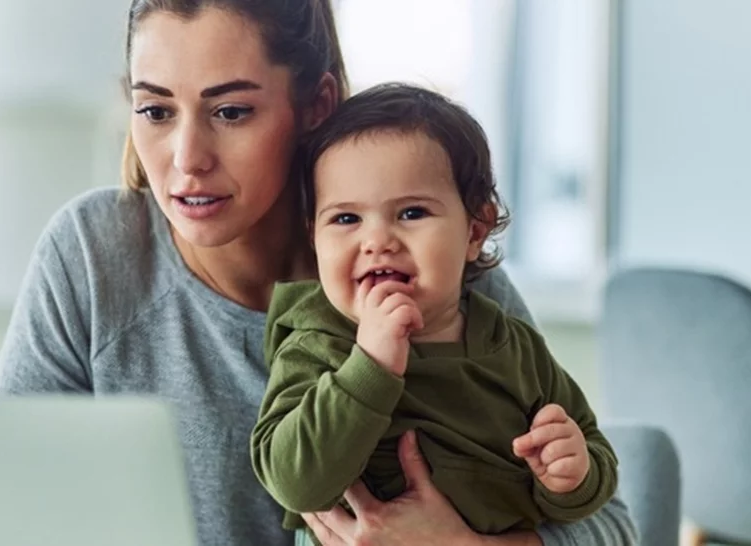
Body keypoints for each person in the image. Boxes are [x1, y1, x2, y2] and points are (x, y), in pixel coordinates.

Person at [0, 1, 639, 544]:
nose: (187, 160)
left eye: (231, 111)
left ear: (316, 104)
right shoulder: (94, 255)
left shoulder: (422, 266)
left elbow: (611, 526)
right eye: (157, 111)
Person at [251, 83, 618, 539]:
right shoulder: (319, 340)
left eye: (411, 213)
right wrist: (369, 367)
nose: (377, 240)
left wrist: (572, 474)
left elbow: (593, 458)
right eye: (346, 219)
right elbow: (293, 483)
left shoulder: (511, 343)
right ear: (314, 237)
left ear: (474, 231)